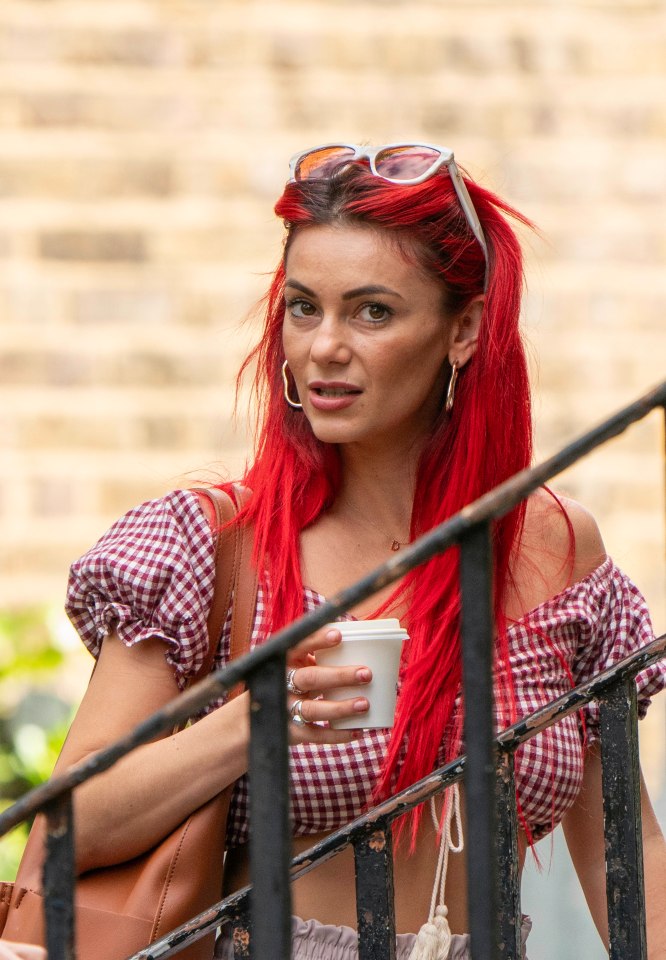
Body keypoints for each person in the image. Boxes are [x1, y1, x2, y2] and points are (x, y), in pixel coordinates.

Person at [53, 144, 665, 959]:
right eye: (304, 308)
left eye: (372, 311)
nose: (324, 346)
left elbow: (628, 858)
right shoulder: (212, 547)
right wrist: (254, 720)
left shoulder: (555, 550)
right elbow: (67, 826)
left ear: (466, 328)